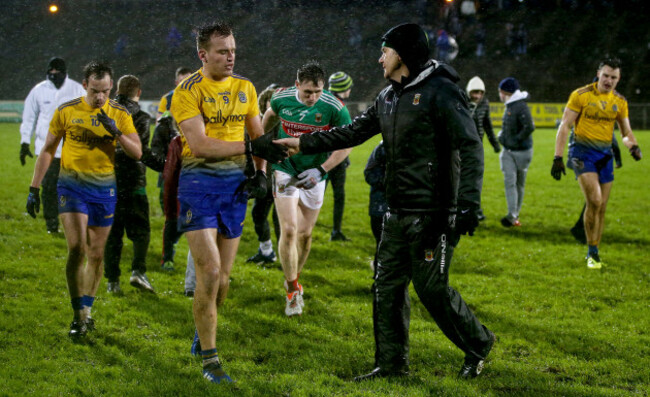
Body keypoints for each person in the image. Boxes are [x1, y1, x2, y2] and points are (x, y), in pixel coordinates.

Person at [275, 23, 495, 380]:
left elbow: (470, 146)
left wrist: (468, 204)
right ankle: (391, 364)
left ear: (403, 54)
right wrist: (306, 143)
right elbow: (354, 132)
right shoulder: (388, 96)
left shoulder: (442, 91)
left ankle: (478, 344)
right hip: (395, 210)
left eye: (385, 51)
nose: (380, 58)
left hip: (433, 212)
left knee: (431, 288)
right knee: (386, 287)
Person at [169, 21, 287, 384]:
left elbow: (256, 134)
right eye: (222, 51)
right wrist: (254, 149)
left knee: (222, 282)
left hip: (235, 191)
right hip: (198, 188)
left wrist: (260, 172)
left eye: (233, 49)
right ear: (203, 55)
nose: (230, 56)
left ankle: (201, 334)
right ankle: (210, 360)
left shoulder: (245, 88)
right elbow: (201, 144)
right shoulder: (187, 92)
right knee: (210, 271)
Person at [26, 61, 142, 338]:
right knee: (77, 248)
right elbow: (47, 150)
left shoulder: (120, 114)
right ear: (85, 85)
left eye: (104, 91)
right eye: (94, 91)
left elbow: (137, 152)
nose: (100, 97)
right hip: (72, 186)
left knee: (96, 253)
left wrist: (115, 132)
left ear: (111, 87)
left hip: (104, 190)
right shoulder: (67, 110)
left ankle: (87, 312)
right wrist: (34, 188)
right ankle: (77, 315)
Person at [262, 62, 352, 317]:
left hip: (315, 173)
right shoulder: (282, 97)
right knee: (289, 230)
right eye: (307, 92)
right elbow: (269, 115)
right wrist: (263, 142)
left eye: (318, 92)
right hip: (285, 167)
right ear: (297, 84)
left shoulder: (334, 107)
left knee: (304, 234)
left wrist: (322, 170)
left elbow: (346, 144)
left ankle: (295, 277)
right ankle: (292, 292)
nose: (313, 98)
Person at [551, 58, 642, 269]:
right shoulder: (581, 95)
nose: (609, 80)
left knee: (601, 208)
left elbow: (626, 132)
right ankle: (591, 253)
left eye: (614, 77)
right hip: (582, 154)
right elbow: (565, 126)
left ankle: (595, 251)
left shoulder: (620, 101)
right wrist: (558, 157)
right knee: (595, 200)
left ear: (618, 79)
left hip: (605, 157)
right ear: (598, 74)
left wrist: (633, 146)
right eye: (606, 76)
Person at [104, 75, 162, 294]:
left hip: (108, 180)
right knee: (141, 230)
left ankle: (112, 282)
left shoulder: (105, 112)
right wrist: (164, 165)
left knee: (113, 233)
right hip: (133, 181)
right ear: (138, 93)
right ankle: (138, 270)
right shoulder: (140, 116)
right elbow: (140, 151)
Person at [20, 57, 85, 233]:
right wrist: (25, 142)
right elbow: (29, 116)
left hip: (71, 149)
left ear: (65, 73)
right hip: (46, 149)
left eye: (57, 72)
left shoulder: (76, 89)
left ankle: (73, 222)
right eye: (51, 72)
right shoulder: (39, 90)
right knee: (48, 187)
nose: (54, 75)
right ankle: (52, 223)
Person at [246, 83, 282, 265]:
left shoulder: (286, 125)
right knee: (258, 215)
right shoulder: (256, 124)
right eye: (270, 100)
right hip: (264, 180)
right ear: (264, 102)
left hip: (282, 180)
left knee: (280, 221)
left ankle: (287, 258)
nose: (272, 104)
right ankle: (266, 251)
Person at [497, 77, 534, 227]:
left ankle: (513, 215)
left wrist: (514, 140)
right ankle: (512, 215)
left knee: (516, 184)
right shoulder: (513, 105)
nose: (499, 94)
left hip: (519, 152)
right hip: (510, 152)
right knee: (512, 183)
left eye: (500, 91)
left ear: (505, 92)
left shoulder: (519, 106)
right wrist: (502, 136)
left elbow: (529, 127)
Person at [466, 76, 500, 221]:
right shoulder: (462, 102)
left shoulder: (484, 104)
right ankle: (461, 209)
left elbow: (487, 125)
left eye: (481, 93)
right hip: (462, 147)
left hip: (477, 147)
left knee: (476, 181)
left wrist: (495, 144)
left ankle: (475, 209)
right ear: (469, 92)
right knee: (461, 180)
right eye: (475, 92)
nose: (478, 96)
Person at [326, 71, 354, 241]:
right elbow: (343, 137)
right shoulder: (339, 107)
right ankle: (336, 231)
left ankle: (303, 228)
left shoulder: (325, 102)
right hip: (333, 159)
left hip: (322, 157)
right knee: (339, 196)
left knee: (315, 196)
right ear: (344, 89)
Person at [363, 140, 387, 271]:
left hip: (405, 206)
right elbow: (369, 173)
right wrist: (388, 182)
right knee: (383, 243)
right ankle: (379, 283)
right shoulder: (382, 148)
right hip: (381, 206)